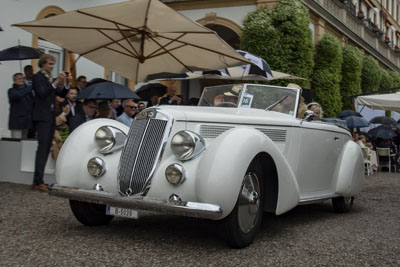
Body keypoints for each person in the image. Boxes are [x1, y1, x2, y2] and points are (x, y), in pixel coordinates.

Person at [32, 54, 71, 191]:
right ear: (42, 64)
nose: (52, 66)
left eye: (53, 64)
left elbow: (60, 93)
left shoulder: (49, 79)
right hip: (42, 117)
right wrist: (55, 83)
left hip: (50, 116)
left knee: (46, 147)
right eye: (49, 63)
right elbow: (42, 93)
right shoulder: (37, 77)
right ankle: (38, 180)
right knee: (42, 148)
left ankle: (38, 180)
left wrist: (66, 83)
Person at [8, 73, 34, 139]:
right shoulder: (11, 91)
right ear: (14, 80)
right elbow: (18, 95)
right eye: (19, 78)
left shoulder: (28, 91)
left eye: (23, 78)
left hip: (27, 122)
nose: (22, 80)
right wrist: (30, 87)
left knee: (25, 144)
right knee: (16, 144)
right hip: (17, 123)